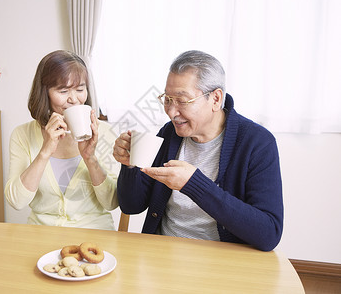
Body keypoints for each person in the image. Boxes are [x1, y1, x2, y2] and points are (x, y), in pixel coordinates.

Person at [113, 50, 283, 251]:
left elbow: (269, 233)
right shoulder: (169, 134)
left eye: (182, 101)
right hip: (162, 254)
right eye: (167, 99)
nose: (171, 111)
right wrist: (130, 166)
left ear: (216, 99)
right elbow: (132, 206)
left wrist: (194, 184)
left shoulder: (257, 143)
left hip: (220, 261)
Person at [5, 50, 119, 230]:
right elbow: (16, 201)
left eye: (80, 89)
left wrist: (90, 158)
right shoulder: (22, 134)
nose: (74, 99)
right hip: (41, 233)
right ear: (45, 93)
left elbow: (111, 202)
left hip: (95, 234)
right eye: (63, 90)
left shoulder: (104, 132)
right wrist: (45, 152)